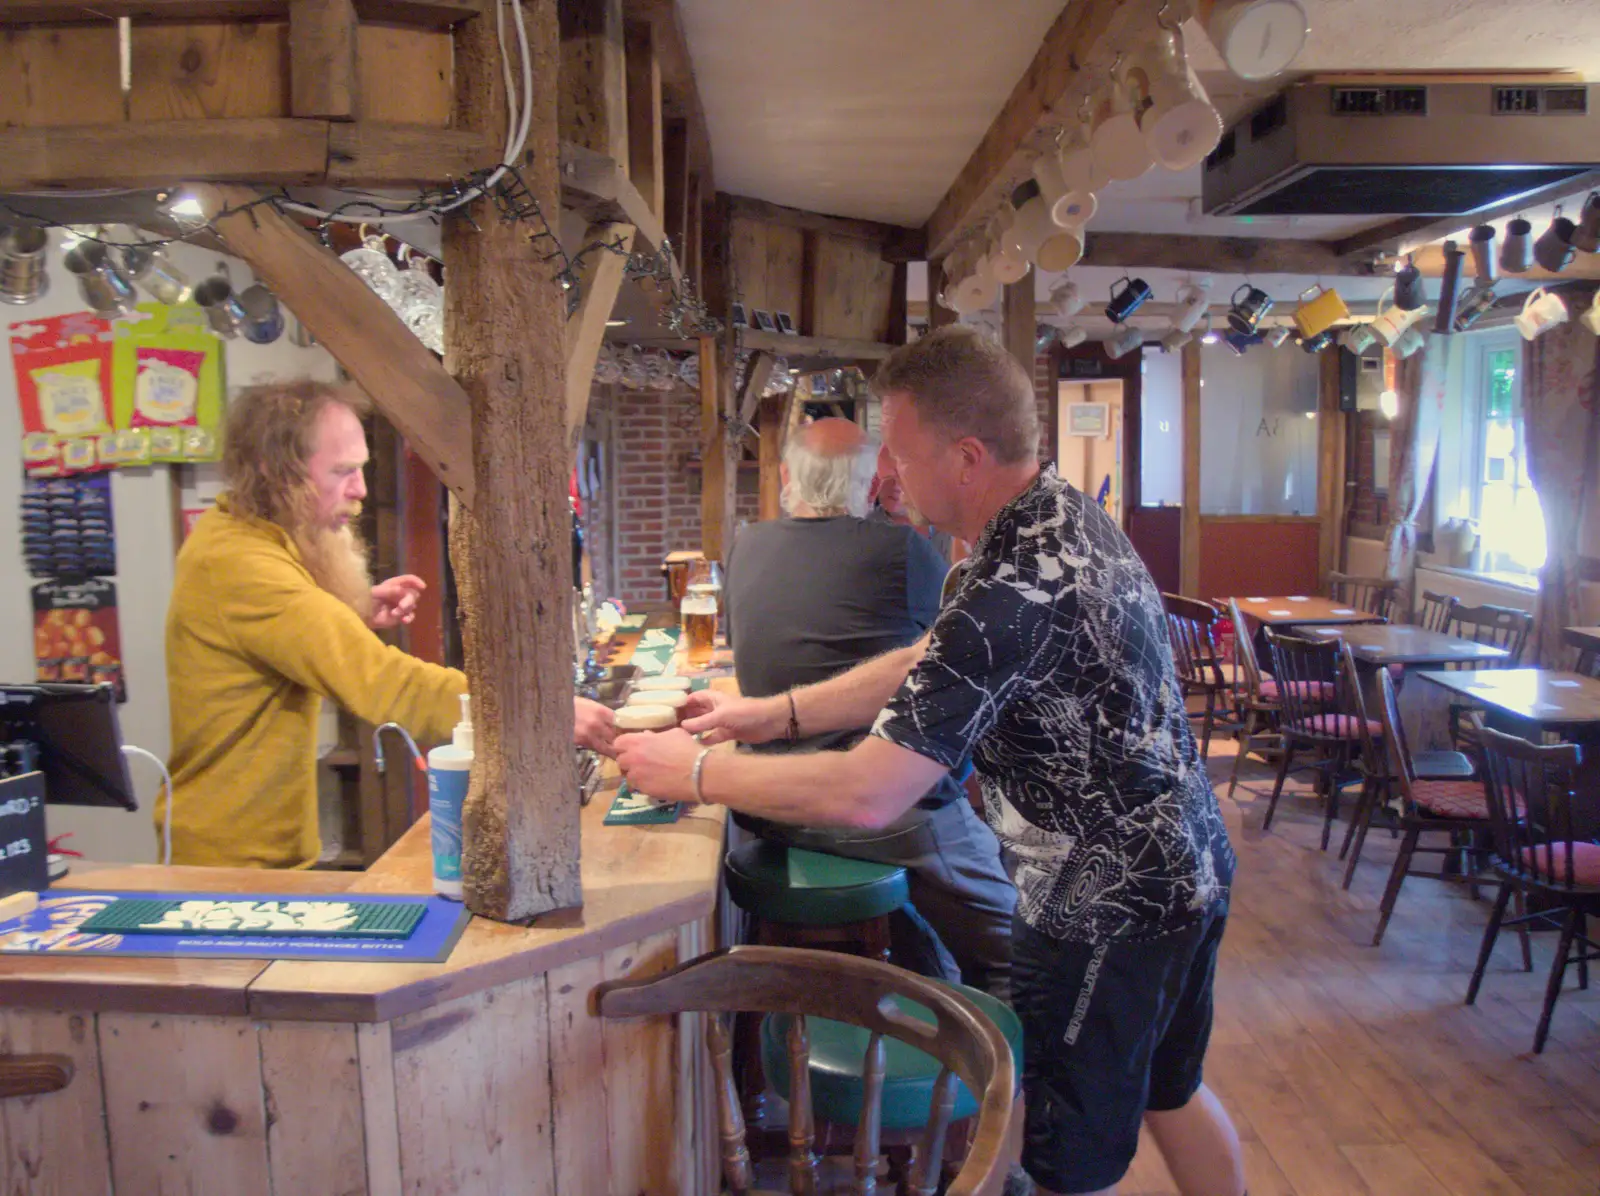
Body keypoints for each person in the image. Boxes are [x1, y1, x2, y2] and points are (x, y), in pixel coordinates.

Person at [617, 328, 1243, 1196]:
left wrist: (688, 772)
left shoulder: (1009, 588)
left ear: (967, 457)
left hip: (1107, 903)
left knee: (1067, 1158)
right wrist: (774, 714)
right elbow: (928, 661)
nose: (885, 480)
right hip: (1191, 865)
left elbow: (870, 793)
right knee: (1169, 1093)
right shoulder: (1054, 519)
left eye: (901, 458)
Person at [163, 380, 616, 869]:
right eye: (343, 472)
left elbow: (278, 630)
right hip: (229, 867)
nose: (359, 489)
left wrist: (349, 613)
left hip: (254, 853)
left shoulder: (238, 535)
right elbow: (389, 685)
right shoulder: (242, 566)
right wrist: (536, 712)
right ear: (278, 474)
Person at [724, 417, 1014, 999]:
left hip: (767, 802)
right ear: (873, 483)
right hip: (878, 810)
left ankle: (917, 983)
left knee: (928, 904)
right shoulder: (901, 549)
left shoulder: (747, 544)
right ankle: (1001, 1081)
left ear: (785, 476)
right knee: (1017, 949)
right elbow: (963, 656)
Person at [868, 446, 954, 562]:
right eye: (887, 477)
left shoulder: (946, 528)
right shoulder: (868, 528)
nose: (895, 486)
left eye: (903, 478)